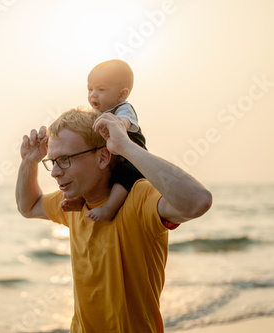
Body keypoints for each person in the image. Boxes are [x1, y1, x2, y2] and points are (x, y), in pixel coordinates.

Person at [15, 108, 212, 332]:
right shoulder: (72, 204)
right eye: (53, 161)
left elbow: (198, 201)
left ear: (103, 157)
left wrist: (126, 147)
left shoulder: (138, 198)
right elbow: (28, 206)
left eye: (65, 160)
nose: (55, 172)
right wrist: (29, 162)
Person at [62, 59, 147, 222]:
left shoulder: (123, 109)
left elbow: (126, 121)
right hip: (110, 156)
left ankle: (109, 208)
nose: (93, 94)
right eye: (90, 89)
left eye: (101, 89)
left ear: (122, 95)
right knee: (90, 169)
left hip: (130, 159)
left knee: (125, 175)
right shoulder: (96, 112)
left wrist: (119, 124)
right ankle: (82, 200)